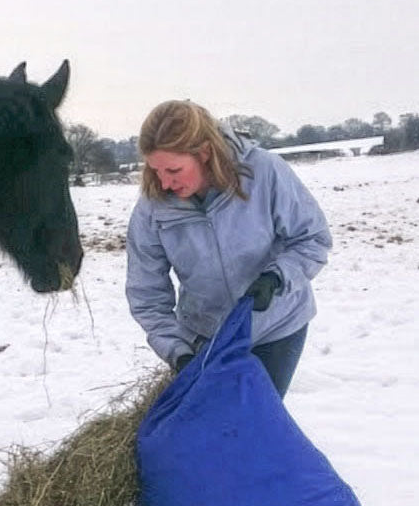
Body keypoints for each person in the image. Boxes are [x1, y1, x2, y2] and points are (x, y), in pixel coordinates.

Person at [126, 99, 332, 398]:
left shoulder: (264, 172)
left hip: (276, 327)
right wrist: (179, 352)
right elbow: (146, 294)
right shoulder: (152, 208)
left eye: (174, 170)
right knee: (213, 417)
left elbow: (312, 238)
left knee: (255, 415)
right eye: (156, 171)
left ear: (204, 153)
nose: (165, 183)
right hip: (205, 337)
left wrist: (276, 278)